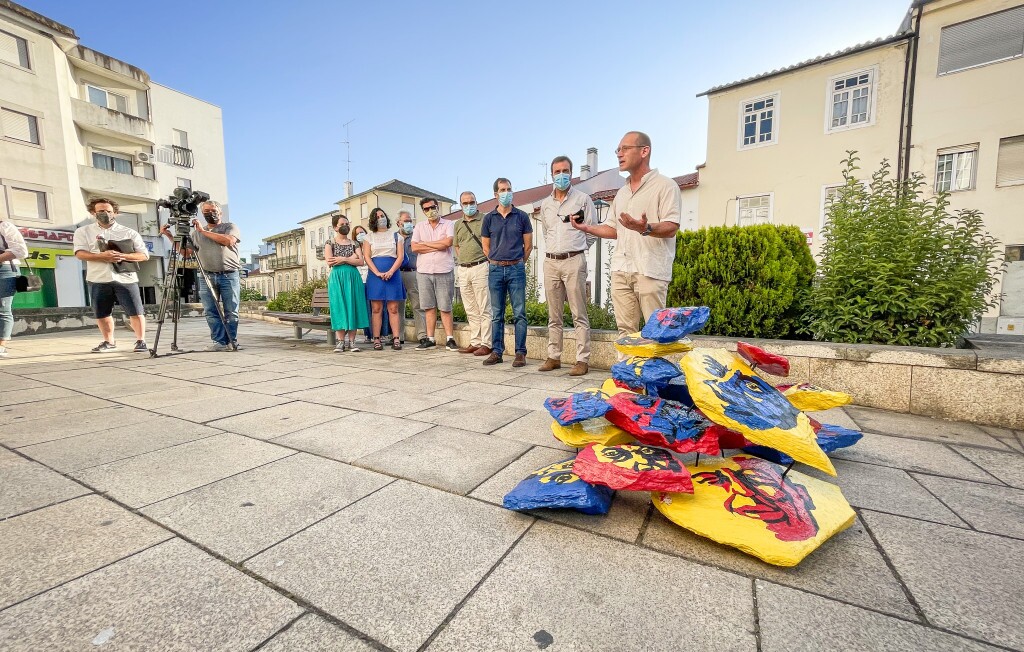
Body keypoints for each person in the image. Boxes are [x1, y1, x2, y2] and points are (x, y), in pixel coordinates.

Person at [572, 131, 680, 345]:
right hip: (622, 269)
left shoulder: (666, 186)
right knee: (625, 332)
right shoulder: (621, 193)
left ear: (644, 151)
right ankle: (627, 377)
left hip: (650, 269)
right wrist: (587, 227)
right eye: (617, 150)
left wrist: (646, 228)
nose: (619, 154)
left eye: (624, 149)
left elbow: (671, 226)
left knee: (656, 332)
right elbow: (614, 229)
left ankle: (653, 378)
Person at [538, 156, 597, 376]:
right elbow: (546, 232)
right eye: (557, 172)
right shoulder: (545, 204)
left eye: (565, 171)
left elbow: (592, 230)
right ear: (551, 175)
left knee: (578, 313)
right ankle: (554, 357)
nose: (561, 175)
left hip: (574, 261)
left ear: (571, 173)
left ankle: (582, 360)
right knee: (553, 315)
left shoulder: (583, 199)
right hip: (551, 261)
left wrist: (579, 247)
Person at [160, 200, 241, 352]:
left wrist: (204, 232)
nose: (210, 213)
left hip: (229, 274)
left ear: (220, 212)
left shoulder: (229, 227)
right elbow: (186, 253)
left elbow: (228, 241)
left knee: (231, 310)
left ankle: (232, 340)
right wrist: (170, 236)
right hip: (206, 275)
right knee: (211, 311)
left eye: (213, 210)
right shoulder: (196, 233)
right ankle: (219, 342)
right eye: (206, 211)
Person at [73, 198, 150, 353]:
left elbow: (144, 255)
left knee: (135, 311)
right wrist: (102, 256)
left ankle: (141, 341)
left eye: (108, 211)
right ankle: (109, 341)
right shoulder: (83, 232)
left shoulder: (129, 232)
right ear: (93, 212)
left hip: (125, 277)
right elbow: (80, 253)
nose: (105, 214)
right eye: (101, 211)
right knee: (102, 313)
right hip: (98, 278)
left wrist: (122, 256)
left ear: (115, 212)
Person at [481, 178, 532, 367]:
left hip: (516, 268)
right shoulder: (488, 218)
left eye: (509, 189)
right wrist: (496, 261)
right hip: (495, 269)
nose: (506, 192)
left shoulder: (522, 216)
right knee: (496, 314)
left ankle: (520, 353)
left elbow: (528, 246)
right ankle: (497, 352)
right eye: (502, 190)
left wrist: (517, 262)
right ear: (495, 194)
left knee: (519, 313)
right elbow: (486, 247)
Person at [411, 197, 457, 351]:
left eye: (433, 207)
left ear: (438, 207)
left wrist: (425, 244)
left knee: (445, 306)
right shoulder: (419, 226)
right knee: (428, 306)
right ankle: (430, 339)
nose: (430, 211)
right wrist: (437, 245)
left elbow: (447, 243)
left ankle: (450, 338)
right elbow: (414, 248)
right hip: (424, 271)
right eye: (426, 209)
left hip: (443, 270)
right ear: (423, 211)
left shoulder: (449, 224)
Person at [453, 191, 492, 356]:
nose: (469, 206)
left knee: (484, 307)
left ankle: (487, 343)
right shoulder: (458, 224)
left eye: (472, 202)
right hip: (463, 269)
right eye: (465, 203)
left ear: (477, 202)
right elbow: (457, 246)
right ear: (461, 205)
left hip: (481, 266)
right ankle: (475, 342)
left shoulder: (485, 219)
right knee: (470, 308)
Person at [361, 208, 405, 350]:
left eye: (383, 215)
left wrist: (391, 271)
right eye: (378, 216)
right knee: (376, 308)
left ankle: (396, 338)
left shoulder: (397, 236)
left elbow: (400, 256)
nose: (381, 218)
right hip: (375, 275)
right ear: (374, 220)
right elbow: (367, 256)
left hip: (393, 273)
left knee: (393, 308)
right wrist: (377, 272)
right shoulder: (369, 237)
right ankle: (376, 338)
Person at [324, 214, 368, 352]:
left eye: (347, 223)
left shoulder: (354, 243)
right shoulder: (329, 243)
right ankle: (340, 341)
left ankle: (352, 342)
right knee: (339, 306)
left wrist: (342, 259)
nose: (345, 226)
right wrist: (350, 258)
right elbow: (330, 261)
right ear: (335, 227)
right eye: (342, 224)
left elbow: (361, 261)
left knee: (353, 305)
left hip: (353, 276)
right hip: (337, 277)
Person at [0, 216, 28, 358]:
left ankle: (1, 346)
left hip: (4, 270)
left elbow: (21, 251)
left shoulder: (4, 226)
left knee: (2, 308)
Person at [397, 211, 426, 346]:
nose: (409, 223)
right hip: (397, 274)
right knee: (397, 306)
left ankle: (422, 335)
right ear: (398, 223)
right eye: (406, 221)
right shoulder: (394, 237)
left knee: (418, 305)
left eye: (410, 221)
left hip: (413, 273)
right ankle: (398, 336)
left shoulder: (417, 236)